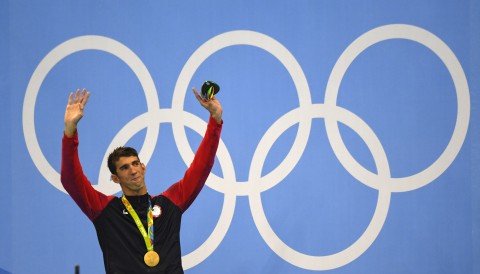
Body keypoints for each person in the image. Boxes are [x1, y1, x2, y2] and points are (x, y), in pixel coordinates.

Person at [61, 88, 223, 274]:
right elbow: (70, 180)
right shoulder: (105, 210)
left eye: (135, 164)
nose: (132, 170)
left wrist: (215, 120)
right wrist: (70, 131)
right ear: (115, 178)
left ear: (143, 167)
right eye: (124, 167)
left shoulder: (169, 204)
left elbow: (201, 169)